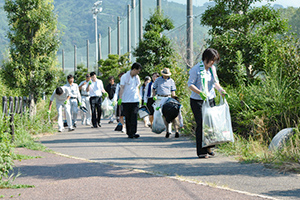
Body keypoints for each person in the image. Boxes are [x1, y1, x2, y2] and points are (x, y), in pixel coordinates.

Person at [188, 48, 227, 159]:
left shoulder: (212, 69)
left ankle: (209, 147)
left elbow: (215, 83)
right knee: (201, 124)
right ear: (206, 59)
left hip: (210, 99)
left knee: (211, 124)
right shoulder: (196, 69)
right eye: (212, 60)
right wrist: (200, 92)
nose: (213, 63)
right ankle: (201, 151)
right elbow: (190, 84)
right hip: (197, 101)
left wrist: (221, 91)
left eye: (214, 60)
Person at [118, 63, 142, 139]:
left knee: (134, 116)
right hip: (126, 100)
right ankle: (129, 133)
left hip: (135, 100)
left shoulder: (137, 77)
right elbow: (122, 87)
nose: (138, 73)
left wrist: (139, 97)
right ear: (134, 69)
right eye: (137, 71)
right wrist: (120, 98)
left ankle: (134, 132)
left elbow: (137, 87)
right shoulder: (124, 77)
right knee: (128, 117)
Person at [152, 67, 177, 138]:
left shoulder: (171, 81)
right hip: (160, 98)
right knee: (160, 113)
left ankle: (168, 130)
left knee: (168, 114)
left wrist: (174, 99)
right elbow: (154, 88)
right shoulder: (158, 80)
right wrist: (154, 96)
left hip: (168, 97)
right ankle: (163, 128)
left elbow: (173, 91)